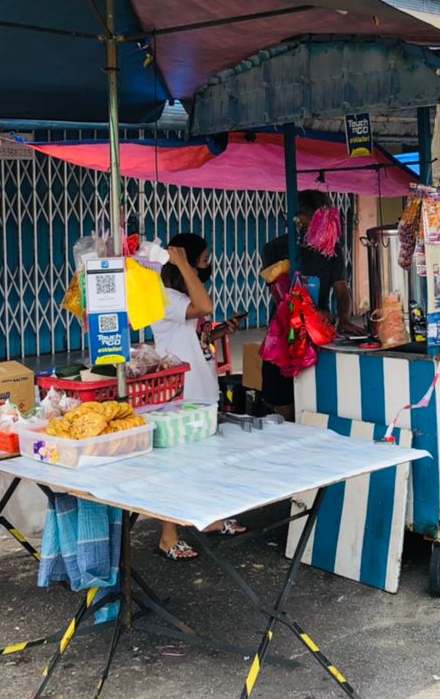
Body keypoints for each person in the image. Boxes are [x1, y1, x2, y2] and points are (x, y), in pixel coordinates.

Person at [151, 232, 244, 560]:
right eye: (203, 261)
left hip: (200, 387)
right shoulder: (164, 296)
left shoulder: (178, 295)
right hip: (181, 393)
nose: (208, 267)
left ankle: (209, 519)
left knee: (206, 459)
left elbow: (192, 334)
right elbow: (205, 305)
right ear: (187, 264)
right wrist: (180, 263)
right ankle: (168, 534)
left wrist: (218, 332)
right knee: (176, 465)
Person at [259, 190, 362, 419]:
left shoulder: (332, 249)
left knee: (317, 405)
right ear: (298, 218)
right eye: (313, 218)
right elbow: (282, 294)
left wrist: (343, 318)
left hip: (320, 337)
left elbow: (342, 290)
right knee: (286, 407)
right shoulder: (275, 249)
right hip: (285, 336)